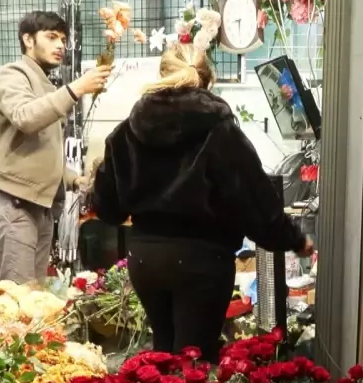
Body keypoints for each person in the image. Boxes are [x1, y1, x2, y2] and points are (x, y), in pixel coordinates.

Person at [92, 43, 313, 362]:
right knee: (194, 367)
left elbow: (109, 207)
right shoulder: (221, 132)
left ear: (163, 76)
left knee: (162, 358)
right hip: (202, 261)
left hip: (145, 258)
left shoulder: (126, 132)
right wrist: (294, 239)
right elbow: (256, 202)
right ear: (209, 81)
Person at [0, 11, 112, 284]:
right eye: (51, 37)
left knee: (34, 299)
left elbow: (41, 152)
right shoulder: (12, 75)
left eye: (63, 39)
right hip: (13, 206)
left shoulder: (45, 85)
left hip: (38, 209)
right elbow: (25, 117)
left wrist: (76, 179)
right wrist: (76, 89)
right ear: (28, 40)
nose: (60, 45)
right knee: (18, 301)